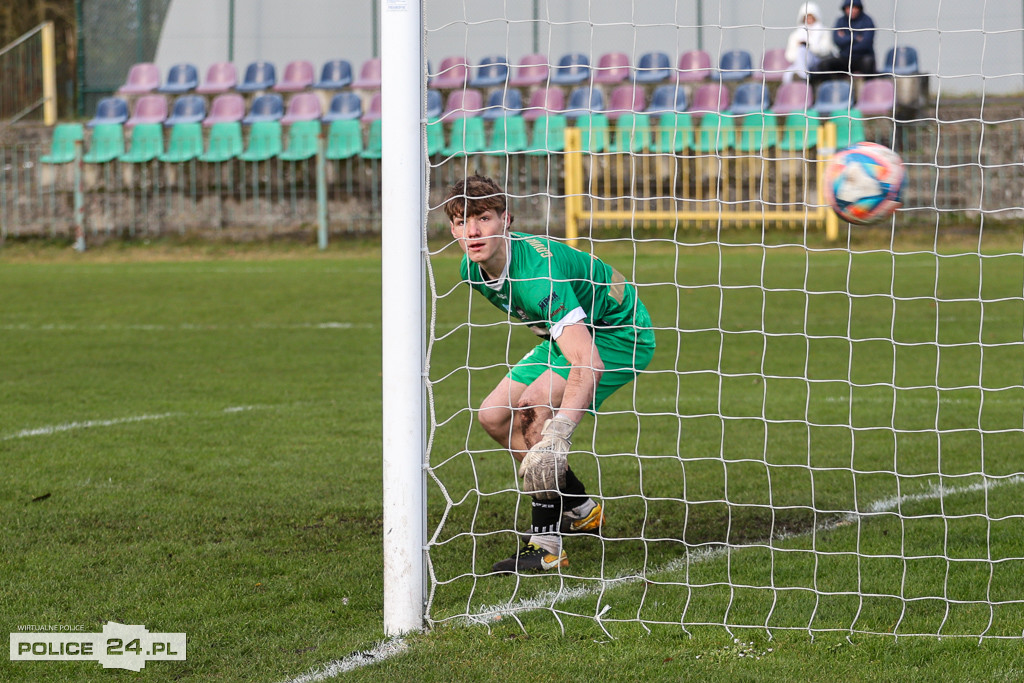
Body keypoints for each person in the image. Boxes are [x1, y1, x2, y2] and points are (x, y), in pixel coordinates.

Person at [444, 175, 656, 574]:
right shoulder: (471, 270)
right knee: (493, 415)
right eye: (460, 222)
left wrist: (559, 432)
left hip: (619, 333)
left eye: (483, 218)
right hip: (572, 328)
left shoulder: (538, 277)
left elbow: (588, 361)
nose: (472, 231)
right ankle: (578, 507)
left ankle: (546, 545)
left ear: (507, 219)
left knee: (533, 406)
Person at [814, 0, 876, 81]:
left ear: (859, 8)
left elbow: (865, 44)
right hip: (844, 58)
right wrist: (855, 37)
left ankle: (868, 90)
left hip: (861, 58)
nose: (851, 10)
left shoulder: (867, 21)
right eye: (849, 8)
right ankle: (831, 90)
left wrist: (845, 41)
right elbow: (837, 40)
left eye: (854, 7)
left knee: (868, 62)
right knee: (824, 64)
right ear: (844, 9)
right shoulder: (840, 21)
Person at [783, 2, 836, 84]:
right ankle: (801, 78)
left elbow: (826, 50)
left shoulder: (824, 31)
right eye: (806, 17)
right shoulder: (796, 35)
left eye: (811, 17)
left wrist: (810, 46)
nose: (809, 20)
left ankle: (803, 77)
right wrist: (801, 48)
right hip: (799, 62)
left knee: (803, 50)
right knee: (789, 73)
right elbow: (789, 55)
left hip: (817, 61)